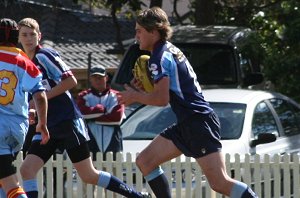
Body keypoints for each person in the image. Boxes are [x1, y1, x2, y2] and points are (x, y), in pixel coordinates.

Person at [117, 7, 258, 198]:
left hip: (198, 122)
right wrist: (141, 90)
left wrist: (134, 96)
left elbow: (161, 99)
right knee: (145, 161)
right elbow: (170, 90)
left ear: (153, 31)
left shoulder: (158, 58)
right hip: (190, 122)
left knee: (220, 183)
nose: (136, 36)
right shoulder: (169, 50)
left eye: (139, 31)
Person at [18, 17, 151, 198]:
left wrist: (40, 98)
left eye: (32, 34)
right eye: (24, 34)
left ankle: (137, 196)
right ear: (18, 38)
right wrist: (32, 108)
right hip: (47, 125)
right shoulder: (24, 62)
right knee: (27, 169)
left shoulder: (44, 55)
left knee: (88, 175)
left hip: (66, 122)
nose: (28, 38)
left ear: (39, 36)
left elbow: (71, 81)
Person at [0, 18, 49, 198]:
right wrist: (42, 124)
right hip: (18, 129)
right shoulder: (24, 61)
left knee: (10, 182)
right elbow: (40, 95)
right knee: (4, 178)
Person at [77, 65, 125, 161]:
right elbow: (81, 114)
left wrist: (92, 118)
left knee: (114, 170)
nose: (98, 80)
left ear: (106, 78)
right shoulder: (83, 96)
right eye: (95, 78)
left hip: (113, 140)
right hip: (90, 140)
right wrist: (101, 110)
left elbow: (116, 118)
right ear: (90, 79)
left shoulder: (117, 95)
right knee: (92, 172)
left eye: (100, 77)